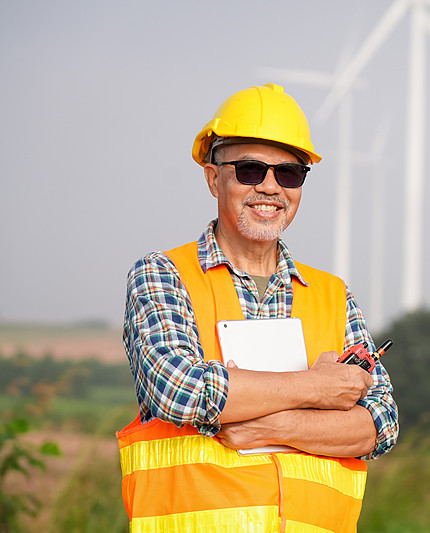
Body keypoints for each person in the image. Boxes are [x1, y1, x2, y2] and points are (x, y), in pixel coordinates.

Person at [117, 83, 398, 533]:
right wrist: (320, 389)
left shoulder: (332, 293)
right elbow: (180, 390)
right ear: (213, 177)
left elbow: (380, 423)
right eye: (250, 170)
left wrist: (270, 427)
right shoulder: (164, 274)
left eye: (289, 173)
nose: (270, 187)